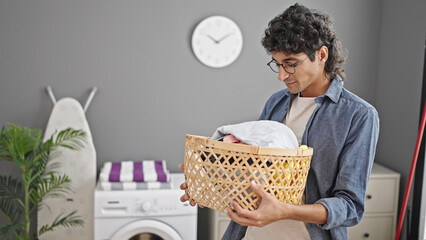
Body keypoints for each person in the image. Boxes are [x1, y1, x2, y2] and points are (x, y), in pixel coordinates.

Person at [179, 3, 379, 240]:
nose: (281, 75)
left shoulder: (359, 116)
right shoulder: (275, 103)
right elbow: (252, 171)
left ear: (322, 55)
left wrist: (284, 211)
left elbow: (350, 208)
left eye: (291, 64)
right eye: (278, 64)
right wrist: (209, 183)